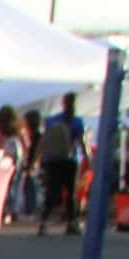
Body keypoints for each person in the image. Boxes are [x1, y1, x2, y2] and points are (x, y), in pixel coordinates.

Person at [34, 91, 88, 235]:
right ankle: (71, 223)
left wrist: (36, 158)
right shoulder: (77, 122)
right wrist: (88, 160)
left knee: (52, 191)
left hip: (52, 161)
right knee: (70, 192)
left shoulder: (51, 121)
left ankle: (43, 222)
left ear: (63, 103)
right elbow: (82, 143)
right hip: (70, 161)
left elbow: (43, 141)